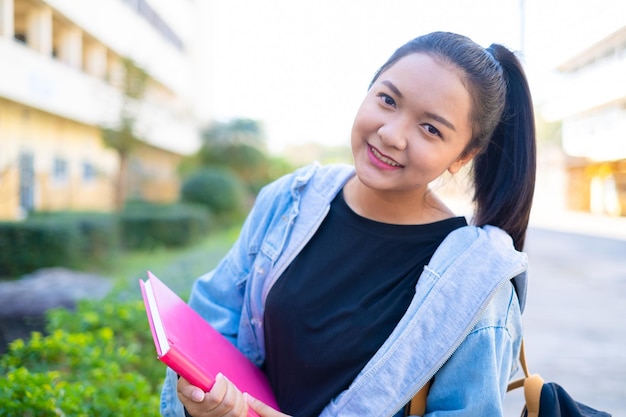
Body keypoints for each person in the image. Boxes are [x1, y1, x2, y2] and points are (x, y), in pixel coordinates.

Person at [160, 31, 536, 417]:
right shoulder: (289, 200)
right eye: (387, 100)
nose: (391, 135)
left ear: (464, 155)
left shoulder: (476, 284)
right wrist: (202, 399)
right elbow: (214, 317)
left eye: (430, 129)